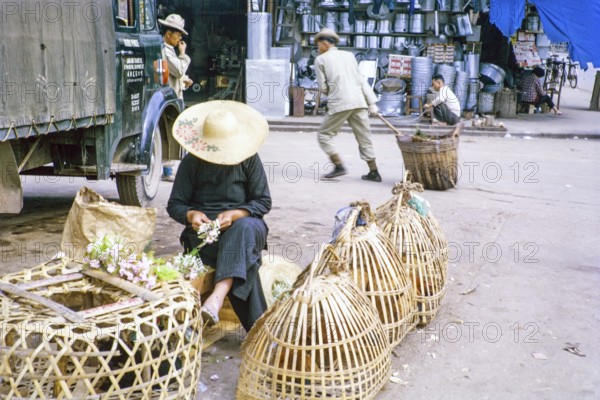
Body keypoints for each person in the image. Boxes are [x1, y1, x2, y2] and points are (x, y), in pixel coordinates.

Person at [167, 100, 272, 332]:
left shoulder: (249, 159)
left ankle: (217, 295)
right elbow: (175, 205)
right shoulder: (192, 162)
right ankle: (260, 333)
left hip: (247, 228)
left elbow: (263, 202)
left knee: (242, 230)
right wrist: (191, 215)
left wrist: (236, 214)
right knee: (247, 261)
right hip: (207, 238)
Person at [313, 28, 382, 182]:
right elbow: (360, 80)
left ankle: (338, 166)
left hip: (340, 102)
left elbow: (323, 88)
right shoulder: (349, 55)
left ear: (324, 43)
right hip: (359, 101)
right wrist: (372, 103)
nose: (318, 48)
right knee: (365, 138)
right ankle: (374, 172)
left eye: (318, 45)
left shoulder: (320, 60)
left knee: (324, 135)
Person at [159, 14, 193, 181]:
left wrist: (184, 81)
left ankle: (168, 169)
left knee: (171, 133)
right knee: (169, 134)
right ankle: (167, 171)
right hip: (167, 98)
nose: (180, 37)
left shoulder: (169, 50)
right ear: (168, 34)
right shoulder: (165, 50)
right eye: (178, 34)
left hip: (173, 95)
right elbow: (178, 69)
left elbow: (176, 75)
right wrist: (183, 54)